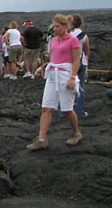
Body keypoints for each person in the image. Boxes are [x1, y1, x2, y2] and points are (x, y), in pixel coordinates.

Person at [27, 14, 83, 151]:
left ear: (65, 26)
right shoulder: (53, 40)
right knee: (46, 107)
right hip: (53, 74)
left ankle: (76, 133)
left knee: (67, 109)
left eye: (58, 26)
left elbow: (77, 61)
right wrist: (44, 66)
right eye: (54, 27)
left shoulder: (73, 40)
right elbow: (54, 58)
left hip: (65, 74)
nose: (55, 29)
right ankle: (41, 139)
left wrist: (73, 78)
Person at [70, 14, 90, 117]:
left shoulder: (68, 35)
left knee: (68, 86)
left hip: (69, 62)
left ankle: (66, 110)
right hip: (81, 62)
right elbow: (87, 51)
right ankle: (80, 111)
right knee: (81, 86)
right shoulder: (84, 36)